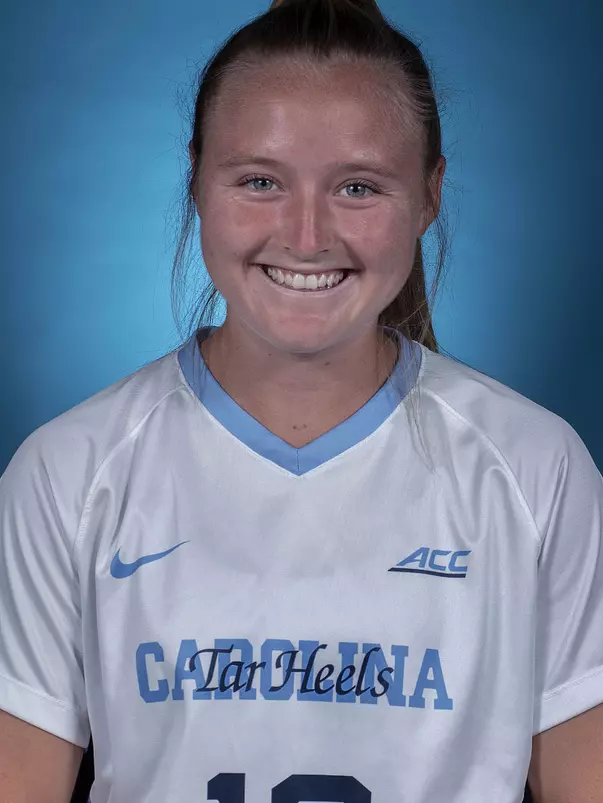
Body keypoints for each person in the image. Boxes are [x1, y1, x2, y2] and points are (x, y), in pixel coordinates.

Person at [0, 0, 602, 801]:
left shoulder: (534, 468)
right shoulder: (68, 473)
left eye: (357, 186)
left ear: (429, 193)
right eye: (260, 181)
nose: (308, 235)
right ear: (195, 179)